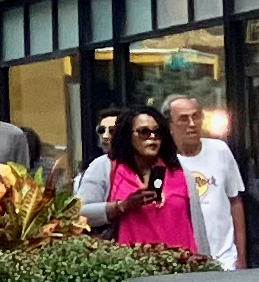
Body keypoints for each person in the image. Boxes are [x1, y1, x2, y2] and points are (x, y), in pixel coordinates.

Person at [165, 95, 249, 268]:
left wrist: (241, 258)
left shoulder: (220, 150)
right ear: (170, 126)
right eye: (183, 119)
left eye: (196, 116)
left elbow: (235, 202)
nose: (192, 123)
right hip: (185, 263)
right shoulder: (164, 162)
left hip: (226, 260)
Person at [106, 107, 198, 251]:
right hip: (132, 266)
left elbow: (198, 225)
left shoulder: (179, 171)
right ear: (128, 135)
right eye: (144, 132)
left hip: (181, 265)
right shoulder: (109, 168)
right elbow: (82, 212)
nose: (153, 137)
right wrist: (122, 206)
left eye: (158, 132)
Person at [75, 110, 121, 235]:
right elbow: (79, 210)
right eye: (101, 130)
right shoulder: (99, 164)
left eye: (112, 130)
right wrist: (121, 207)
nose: (105, 136)